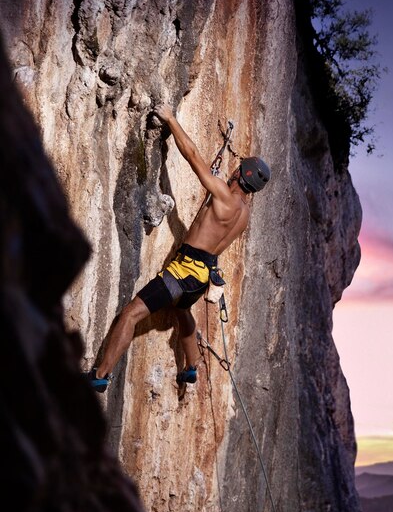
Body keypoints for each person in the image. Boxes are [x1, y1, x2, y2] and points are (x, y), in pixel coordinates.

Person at [85, 105, 270, 392]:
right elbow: (212, 229)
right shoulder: (244, 215)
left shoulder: (223, 194)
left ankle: (101, 374)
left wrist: (170, 119)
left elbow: (193, 156)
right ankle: (191, 368)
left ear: (240, 172)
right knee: (182, 311)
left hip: (183, 271)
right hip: (202, 275)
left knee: (130, 314)